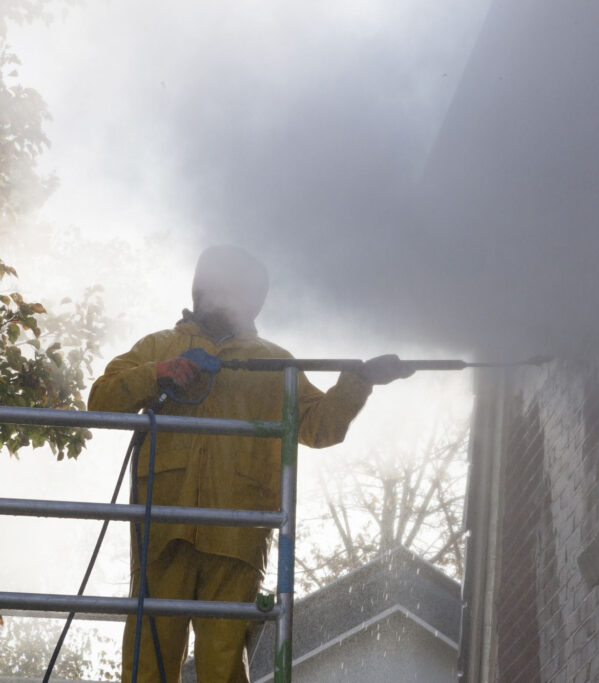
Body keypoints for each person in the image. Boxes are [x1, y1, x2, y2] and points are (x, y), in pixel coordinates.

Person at [88, 245, 411, 682]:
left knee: (222, 662)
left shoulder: (276, 364)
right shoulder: (159, 347)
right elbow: (102, 400)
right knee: (150, 656)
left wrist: (359, 381)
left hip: (238, 534)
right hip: (164, 524)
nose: (230, 300)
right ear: (201, 292)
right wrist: (158, 373)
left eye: (241, 292)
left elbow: (320, 427)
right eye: (223, 289)